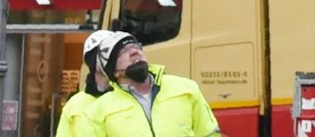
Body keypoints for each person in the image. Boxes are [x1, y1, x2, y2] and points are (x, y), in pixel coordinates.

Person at [89, 36, 219, 137]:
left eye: (136, 46)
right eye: (122, 51)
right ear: (114, 72)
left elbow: (209, 133)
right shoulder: (99, 110)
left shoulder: (186, 88)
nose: (134, 52)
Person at [57, 30, 124, 137]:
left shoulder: (131, 98)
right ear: (91, 59)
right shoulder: (74, 104)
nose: (110, 57)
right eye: (105, 51)